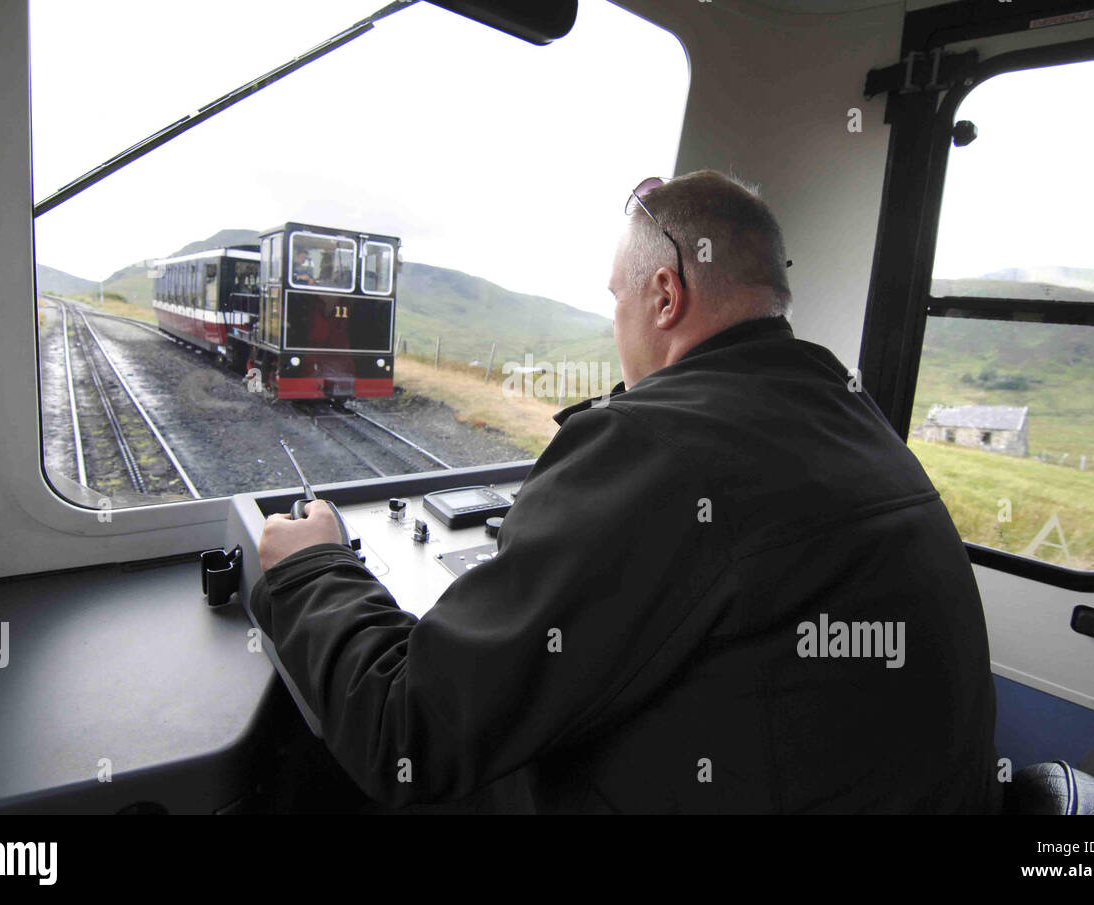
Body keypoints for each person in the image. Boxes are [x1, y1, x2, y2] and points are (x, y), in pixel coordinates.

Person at [252, 170, 1000, 813]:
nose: (617, 323)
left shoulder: (657, 442)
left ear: (665, 295)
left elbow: (405, 729)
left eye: (618, 299)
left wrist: (311, 566)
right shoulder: (850, 410)